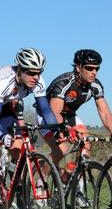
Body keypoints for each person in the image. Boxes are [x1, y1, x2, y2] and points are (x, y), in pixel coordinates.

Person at [0, 48, 58, 196]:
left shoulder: (38, 81)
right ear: (19, 70)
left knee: (19, 145)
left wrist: (57, 130)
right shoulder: (3, 81)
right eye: (31, 72)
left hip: (4, 103)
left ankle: (17, 189)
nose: (36, 77)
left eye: (39, 72)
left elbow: (45, 110)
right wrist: (4, 137)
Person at [38, 49, 111, 182]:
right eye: (89, 68)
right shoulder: (64, 83)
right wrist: (68, 130)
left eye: (96, 69)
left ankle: (74, 183)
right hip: (48, 116)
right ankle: (41, 179)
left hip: (69, 115)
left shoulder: (95, 86)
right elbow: (55, 112)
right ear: (78, 67)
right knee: (61, 149)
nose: (94, 72)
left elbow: (105, 113)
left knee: (86, 143)